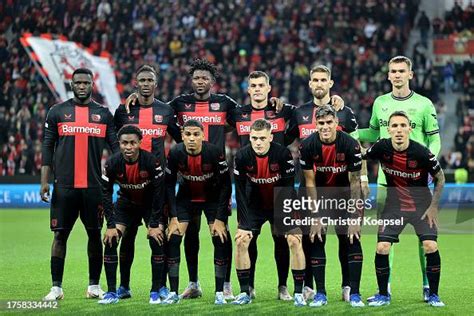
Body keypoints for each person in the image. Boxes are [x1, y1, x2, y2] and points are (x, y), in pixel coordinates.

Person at [359, 56, 441, 301]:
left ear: (410, 75)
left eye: (401, 71)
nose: (397, 75)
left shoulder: (424, 104)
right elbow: (373, 132)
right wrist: (349, 132)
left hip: (418, 181)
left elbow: (434, 138)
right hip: (388, 181)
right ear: (388, 75)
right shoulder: (380, 102)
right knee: (386, 237)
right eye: (393, 71)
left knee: (424, 238)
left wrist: (429, 159)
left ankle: (427, 286)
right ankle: (387, 288)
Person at [287, 65, 368, 302]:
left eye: (324, 79)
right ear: (310, 83)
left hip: (343, 190)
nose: (319, 83)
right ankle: (315, 290)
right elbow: (286, 140)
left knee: (349, 237)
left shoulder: (345, 114)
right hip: (313, 191)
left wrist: (362, 181)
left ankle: (349, 289)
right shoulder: (299, 114)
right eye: (315, 79)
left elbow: (357, 149)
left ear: (330, 83)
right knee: (314, 235)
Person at [41, 68, 119, 301]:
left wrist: (115, 177)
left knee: (95, 236)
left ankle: (94, 286)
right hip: (64, 187)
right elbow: (47, 147)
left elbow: (115, 149)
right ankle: (56, 287)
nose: (82, 86)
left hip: (94, 188)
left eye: (86, 82)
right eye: (78, 82)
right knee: (59, 236)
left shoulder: (104, 114)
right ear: (71, 84)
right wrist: (44, 181)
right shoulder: (57, 112)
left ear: (92, 85)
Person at [113, 64, 181, 300]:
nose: (145, 83)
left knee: (157, 238)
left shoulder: (166, 111)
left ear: (155, 83)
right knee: (127, 239)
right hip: (129, 189)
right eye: (141, 80)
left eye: (149, 80)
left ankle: (159, 287)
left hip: (156, 189)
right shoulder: (123, 111)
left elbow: (181, 138)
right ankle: (123, 286)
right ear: (136, 82)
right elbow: (114, 140)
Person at [364, 111, 445, 307]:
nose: (398, 130)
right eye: (394, 126)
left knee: (430, 246)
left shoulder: (422, 152)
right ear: (389, 129)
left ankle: (433, 295)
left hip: (422, 206)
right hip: (393, 206)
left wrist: (434, 207)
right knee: (382, 247)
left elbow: (440, 177)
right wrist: (362, 178)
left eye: (402, 125)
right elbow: (360, 156)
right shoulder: (382, 147)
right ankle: (383, 295)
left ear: (410, 128)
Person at [229, 71, 294, 300]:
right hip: (251, 192)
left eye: (261, 85)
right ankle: (248, 288)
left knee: (282, 241)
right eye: (253, 85)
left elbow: (308, 112)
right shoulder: (237, 112)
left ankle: (283, 287)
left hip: (278, 190)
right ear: (248, 90)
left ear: (269, 88)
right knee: (248, 240)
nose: (257, 89)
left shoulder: (283, 110)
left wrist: (337, 101)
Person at [232, 119, 305, 306]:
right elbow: (239, 192)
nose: (258, 142)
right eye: (254, 138)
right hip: (253, 203)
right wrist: (244, 224)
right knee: (243, 240)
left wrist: (286, 222)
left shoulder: (283, 154)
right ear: (249, 137)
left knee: (291, 240)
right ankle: (245, 290)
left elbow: (289, 188)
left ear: (270, 137)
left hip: (280, 201)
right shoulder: (241, 156)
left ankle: (288, 290)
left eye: (262, 138)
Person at [299, 105, 365, 307]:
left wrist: (354, 217)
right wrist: (316, 215)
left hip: (345, 196)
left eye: (329, 122)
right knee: (316, 238)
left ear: (337, 123)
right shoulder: (307, 146)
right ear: (315, 125)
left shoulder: (350, 144)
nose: (325, 127)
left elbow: (354, 182)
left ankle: (353, 291)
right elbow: (310, 182)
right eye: (321, 123)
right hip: (319, 195)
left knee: (351, 239)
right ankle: (321, 293)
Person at [163, 119, 232, 305]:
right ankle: (176, 291)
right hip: (186, 197)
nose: (192, 138)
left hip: (212, 197)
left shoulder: (214, 152)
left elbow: (226, 184)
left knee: (220, 237)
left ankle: (220, 291)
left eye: (196, 134)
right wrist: (173, 216)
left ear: (203, 135)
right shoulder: (176, 152)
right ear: (182, 136)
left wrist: (219, 218)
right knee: (174, 237)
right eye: (188, 134)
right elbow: (168, 184)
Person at [99, 125, 166, 304]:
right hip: (126, 204)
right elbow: (105, 193)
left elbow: (160, 193)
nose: (128, 147)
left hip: (150, 204)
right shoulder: (112, 163)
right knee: (111, 240)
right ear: (119, 144)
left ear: (139, 143)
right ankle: (115, 291)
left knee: (157, 239)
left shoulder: (151, 161)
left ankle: (155, 290)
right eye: (124, 143)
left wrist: (153, 224)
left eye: (132, 143)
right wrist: (110, 225)